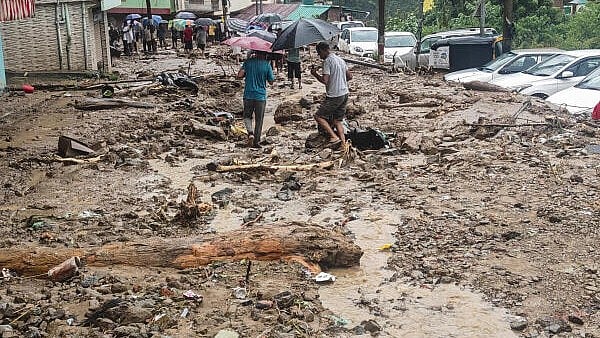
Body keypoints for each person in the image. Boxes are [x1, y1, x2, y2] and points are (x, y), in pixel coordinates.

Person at [310, 42, 352, 148]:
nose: (319, 56)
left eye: (319, 53)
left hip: (335, 95)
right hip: (344, 93)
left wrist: (315, 74)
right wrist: (339, 79)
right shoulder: (340, 60)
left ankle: (334, 137)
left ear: (324, 50)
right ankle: (343, 144)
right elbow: (350, 76)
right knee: (337, 120)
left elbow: (325, 80)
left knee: (318, 116)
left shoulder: (327, 62)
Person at [236, 51, 275, 148]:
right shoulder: (267, 65)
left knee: (247, 116)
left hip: (248, 94)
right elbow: (271, 82)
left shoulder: (248, 62)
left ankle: (250, 133)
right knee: (259, 120)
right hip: (260, 96)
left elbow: (239, 76)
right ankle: (256, 142)